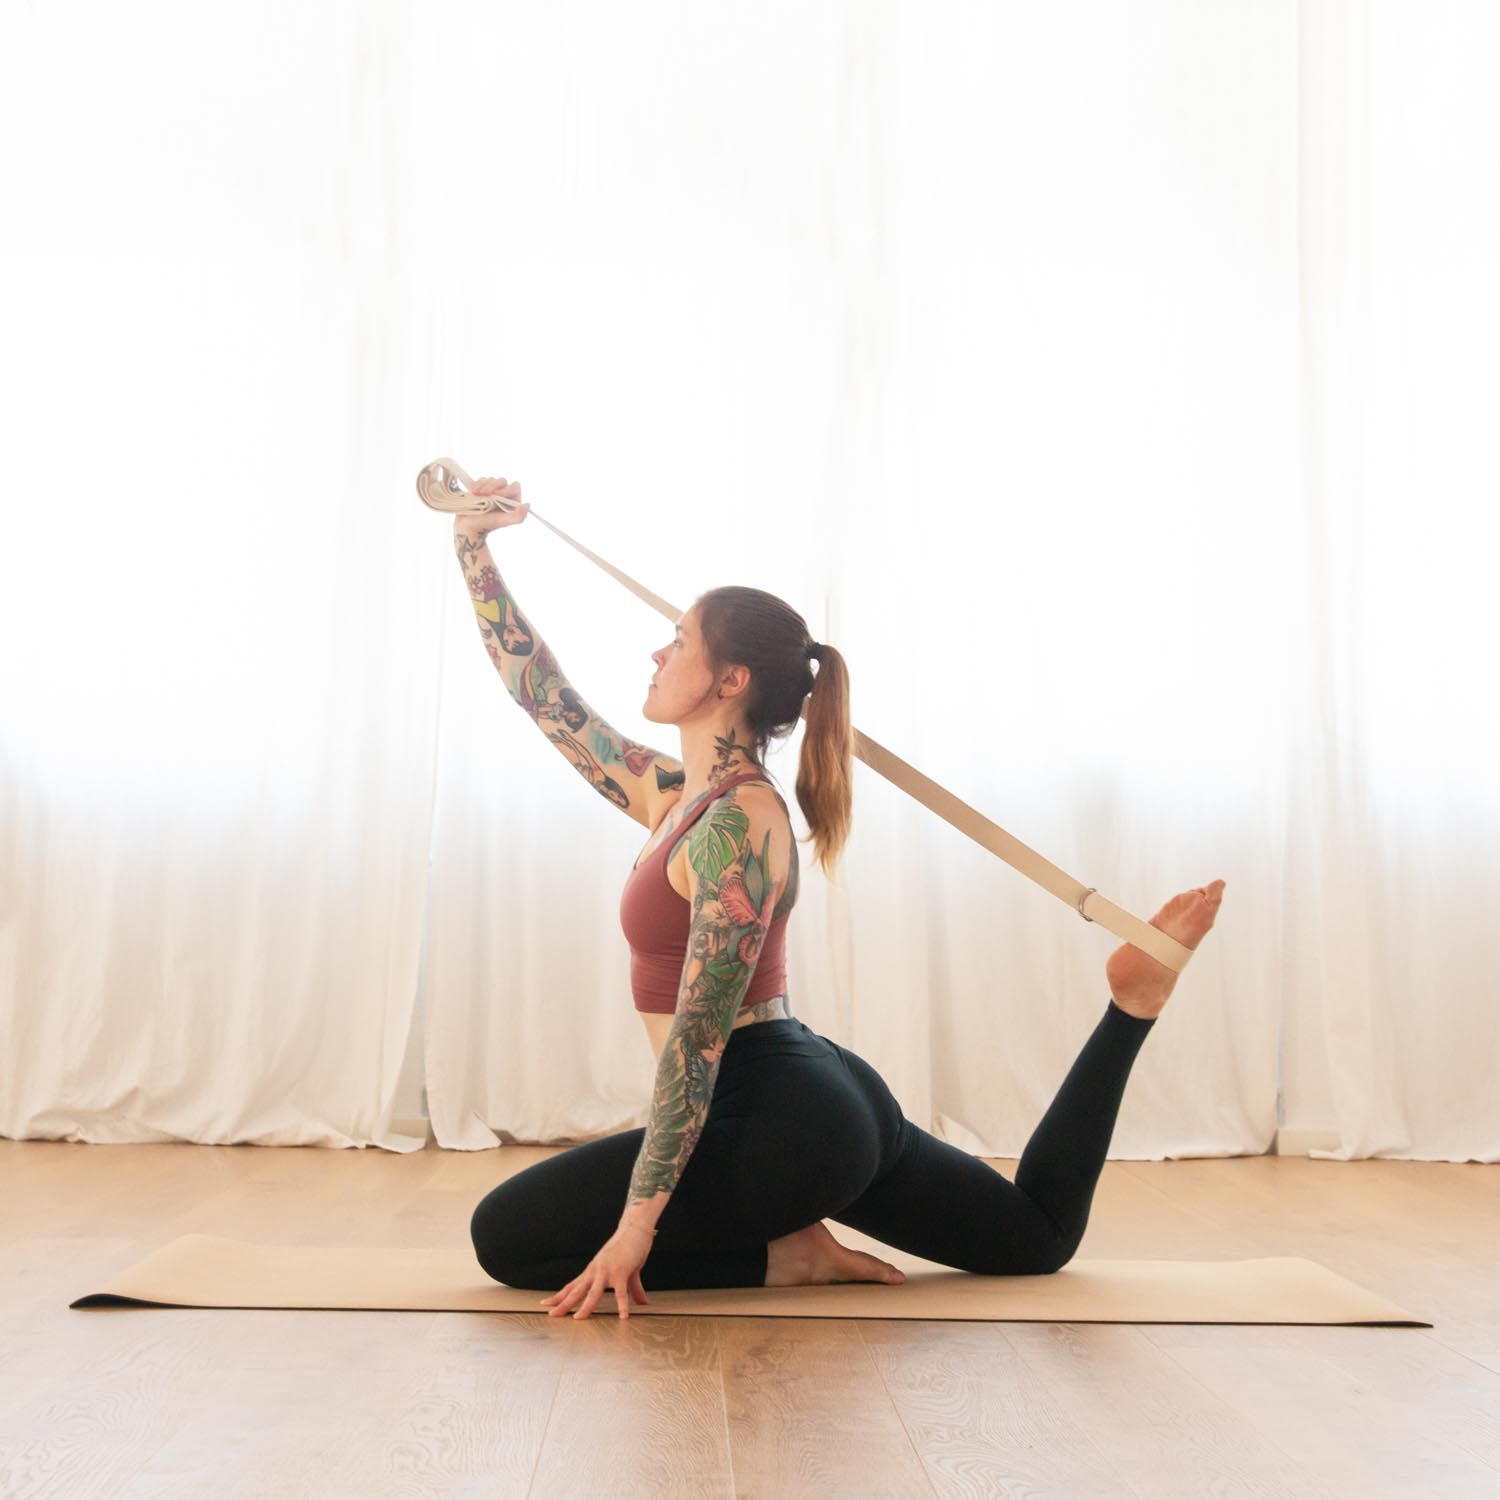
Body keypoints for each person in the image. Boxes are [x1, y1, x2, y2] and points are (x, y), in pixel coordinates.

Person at [459, 475, 1226, 1320]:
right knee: (1033, 1237)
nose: (656, 655)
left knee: (508, 1238)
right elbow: (543, 697)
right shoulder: (675, 795)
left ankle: (784, 1255)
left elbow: (697, 1044)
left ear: (730, 679)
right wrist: (473, 547)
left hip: (781, 1120)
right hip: (812, 1095)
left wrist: (637, 1227)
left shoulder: (738, 826)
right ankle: (1133, 1004)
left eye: (677, 642)